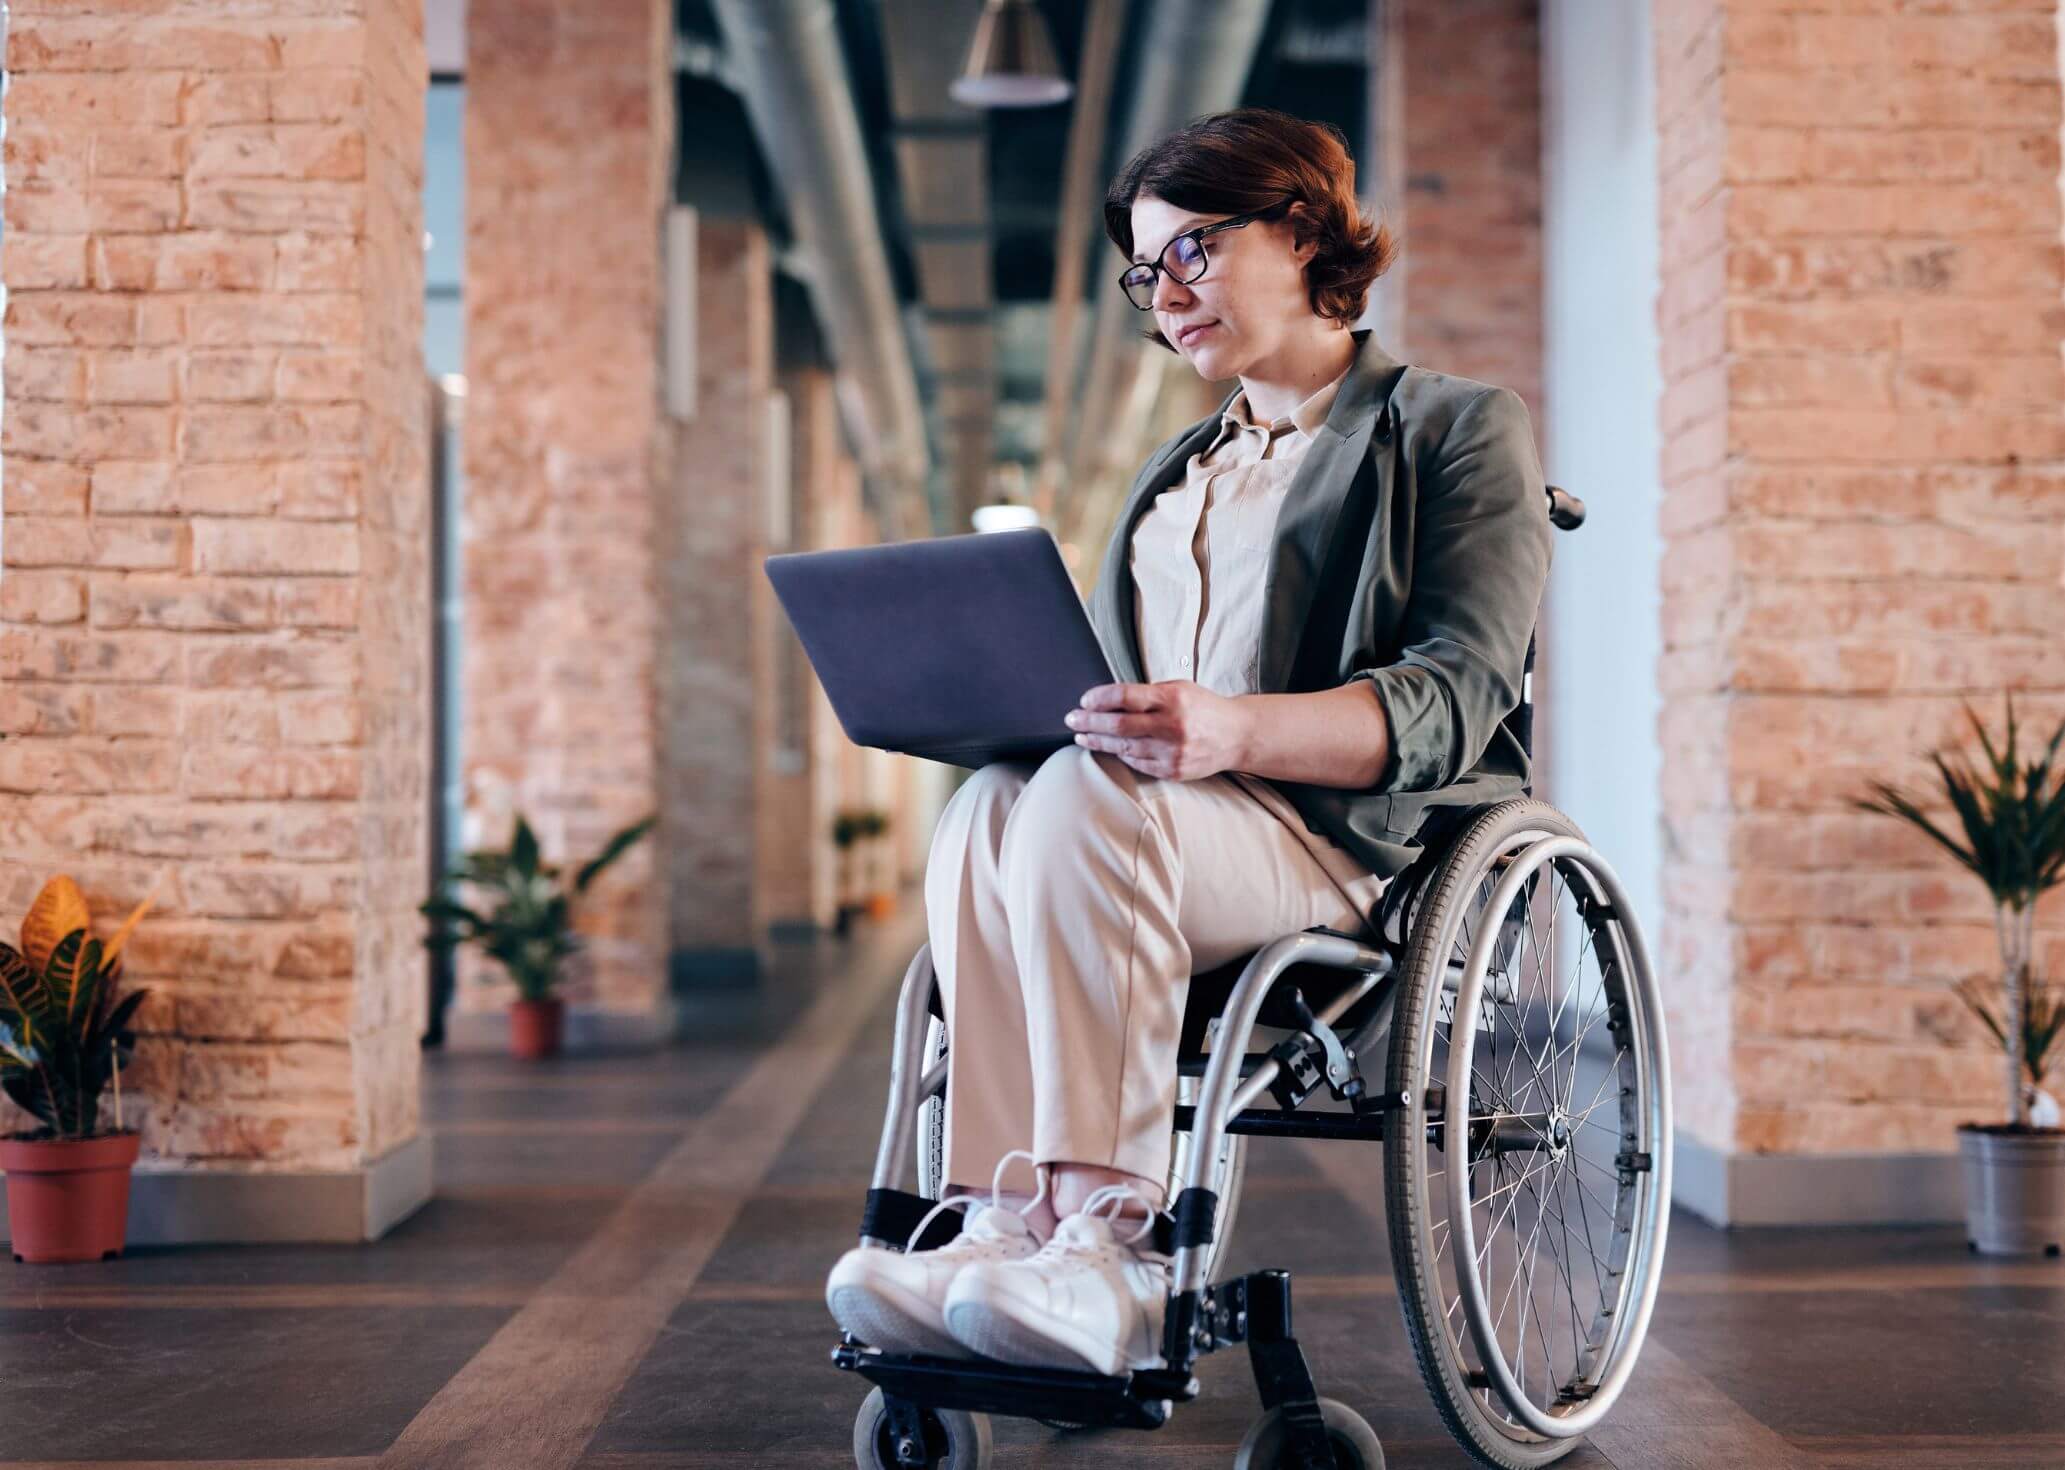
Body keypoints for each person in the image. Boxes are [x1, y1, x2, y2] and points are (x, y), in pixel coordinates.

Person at [825, 106, 1551, 1378]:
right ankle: (1005, 1218)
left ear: (1299, 226)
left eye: (1193, 252)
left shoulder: (1448, 428)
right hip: (1154, 830)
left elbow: (1458, 691)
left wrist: (1227, 730)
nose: (1164, 295)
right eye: (1144, 271)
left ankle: (1111, 1243)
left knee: (1083, 800)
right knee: (996, 799)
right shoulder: (1176, 473)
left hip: (1329, 844)